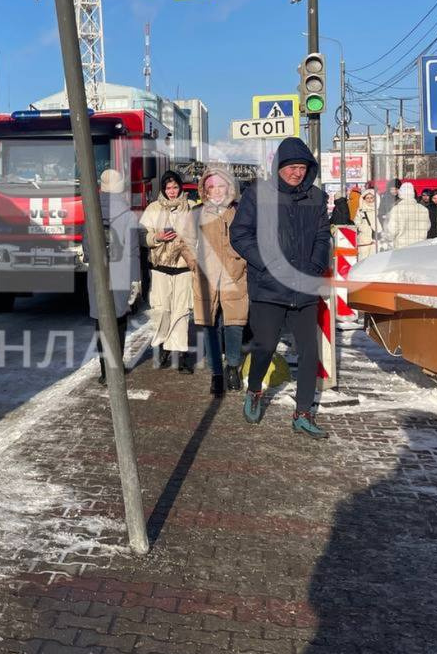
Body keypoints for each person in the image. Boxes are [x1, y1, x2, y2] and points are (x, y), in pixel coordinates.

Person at [230, 137, 332, 440]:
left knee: (310, 351)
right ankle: (255, 390)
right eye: (291, 167)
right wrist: (265, 262)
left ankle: (302, 413)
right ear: (279, 167)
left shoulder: (315, 197)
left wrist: (315, 265)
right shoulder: (257, 194)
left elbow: (323, 235)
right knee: (265, 346)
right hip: (268, 288)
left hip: (304, 287)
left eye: (302, 167)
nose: (296, 173)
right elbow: (240, 233)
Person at [188, 165, 248, 397]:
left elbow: (251, 239)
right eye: (211, 186)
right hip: (207, 277)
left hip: (235, 274)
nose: (217, 191)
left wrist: (242, 260)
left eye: (221, 186)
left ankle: (232, 367)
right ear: (205, 189)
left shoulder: (240, 212)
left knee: (234, 324)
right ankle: (216, 373)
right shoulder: (197, 213)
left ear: (229, 187)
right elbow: (185, 241)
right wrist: (195, 263)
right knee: (209, 326)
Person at [139, 170, 196, 372]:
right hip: (159, 267)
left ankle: (179, 353)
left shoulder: (190, 207)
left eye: (175, 187)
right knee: (162, 309)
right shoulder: (153, 208)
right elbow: (142, 236)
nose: (172, 191)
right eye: (168, 188)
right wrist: (157, 237)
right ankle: (163, 344)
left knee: (181, 312)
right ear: (163, 189)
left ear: (180, 187)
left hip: (183, 268)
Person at [87, 169, 139, 384]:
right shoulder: (128, 215)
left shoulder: (91, 211)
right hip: (121, 272)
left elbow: (87, 249)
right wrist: (136, 280)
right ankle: (116, 369)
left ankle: (104, 371)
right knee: (119, 321)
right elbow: (133, 251)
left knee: (101, 322)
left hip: (97, 273)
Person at [383, 181, 430, 249]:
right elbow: (427, 227)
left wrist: (388, 237)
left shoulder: (397, 209)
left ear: (401, 194)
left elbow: (392, 230)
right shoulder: (423, 209)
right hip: (420, 245)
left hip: (402, 246)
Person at [353, 188, 381, 260]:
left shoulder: (378, 210)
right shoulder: (361, 210)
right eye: (367, 198)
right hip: (364, 239)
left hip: (376, 239)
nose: (369, 200)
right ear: (364, 199)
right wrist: (362, 227)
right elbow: (356, 221)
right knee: (363, 258)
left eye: (371, 198)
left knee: (375, 259)